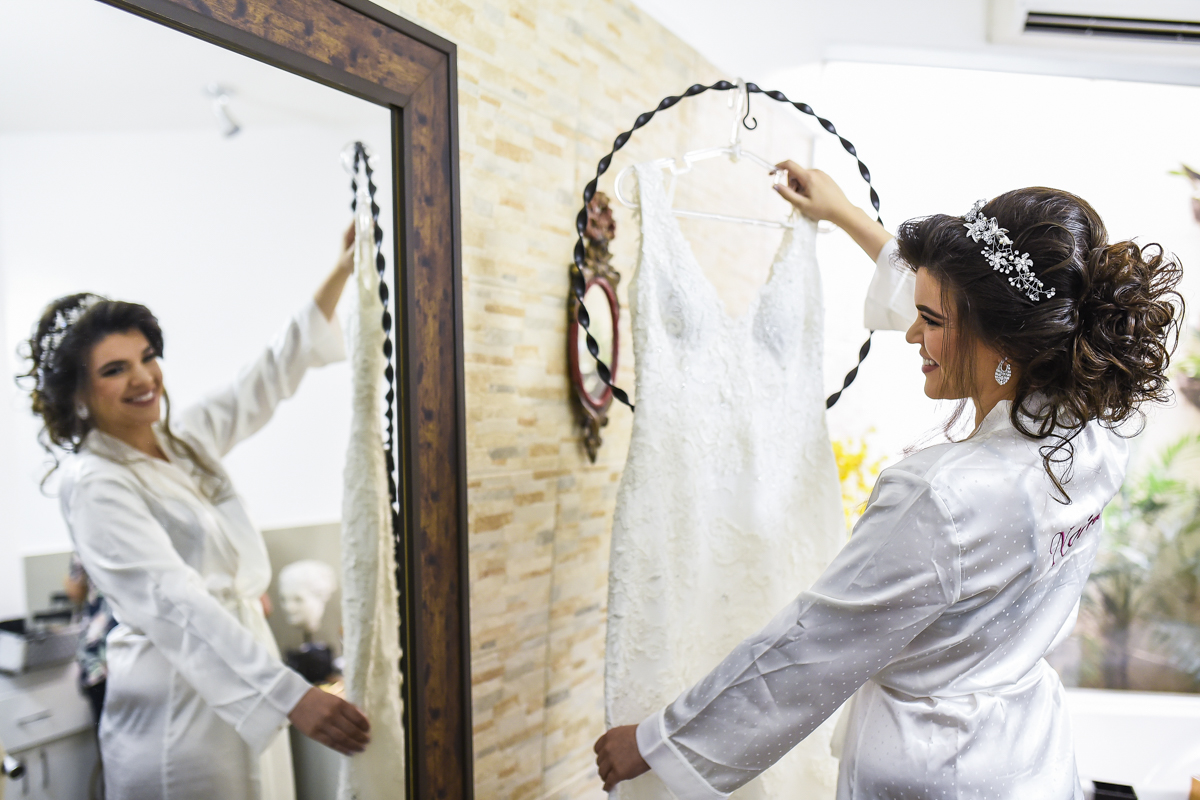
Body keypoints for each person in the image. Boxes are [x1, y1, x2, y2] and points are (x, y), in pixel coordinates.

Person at [593, 165, 1184, 799]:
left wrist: (659, 741)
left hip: (933, 771)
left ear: (1001, 339)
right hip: (1030, 756)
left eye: (929, 320)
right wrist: (845, 214)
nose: (910, 333)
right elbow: (969, 303)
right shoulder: (1099, 433)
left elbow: (811, 648)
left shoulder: (945, 496)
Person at [20, 224, 371, 800]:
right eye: (115, 369)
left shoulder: (183, 440)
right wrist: (289, 694)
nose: (143, 378)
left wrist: (340, 271)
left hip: (247, 665)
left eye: (148, 357)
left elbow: (266, 377)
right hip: (176, 706)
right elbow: (173, 598)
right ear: (78, 394)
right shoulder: (94, 483)